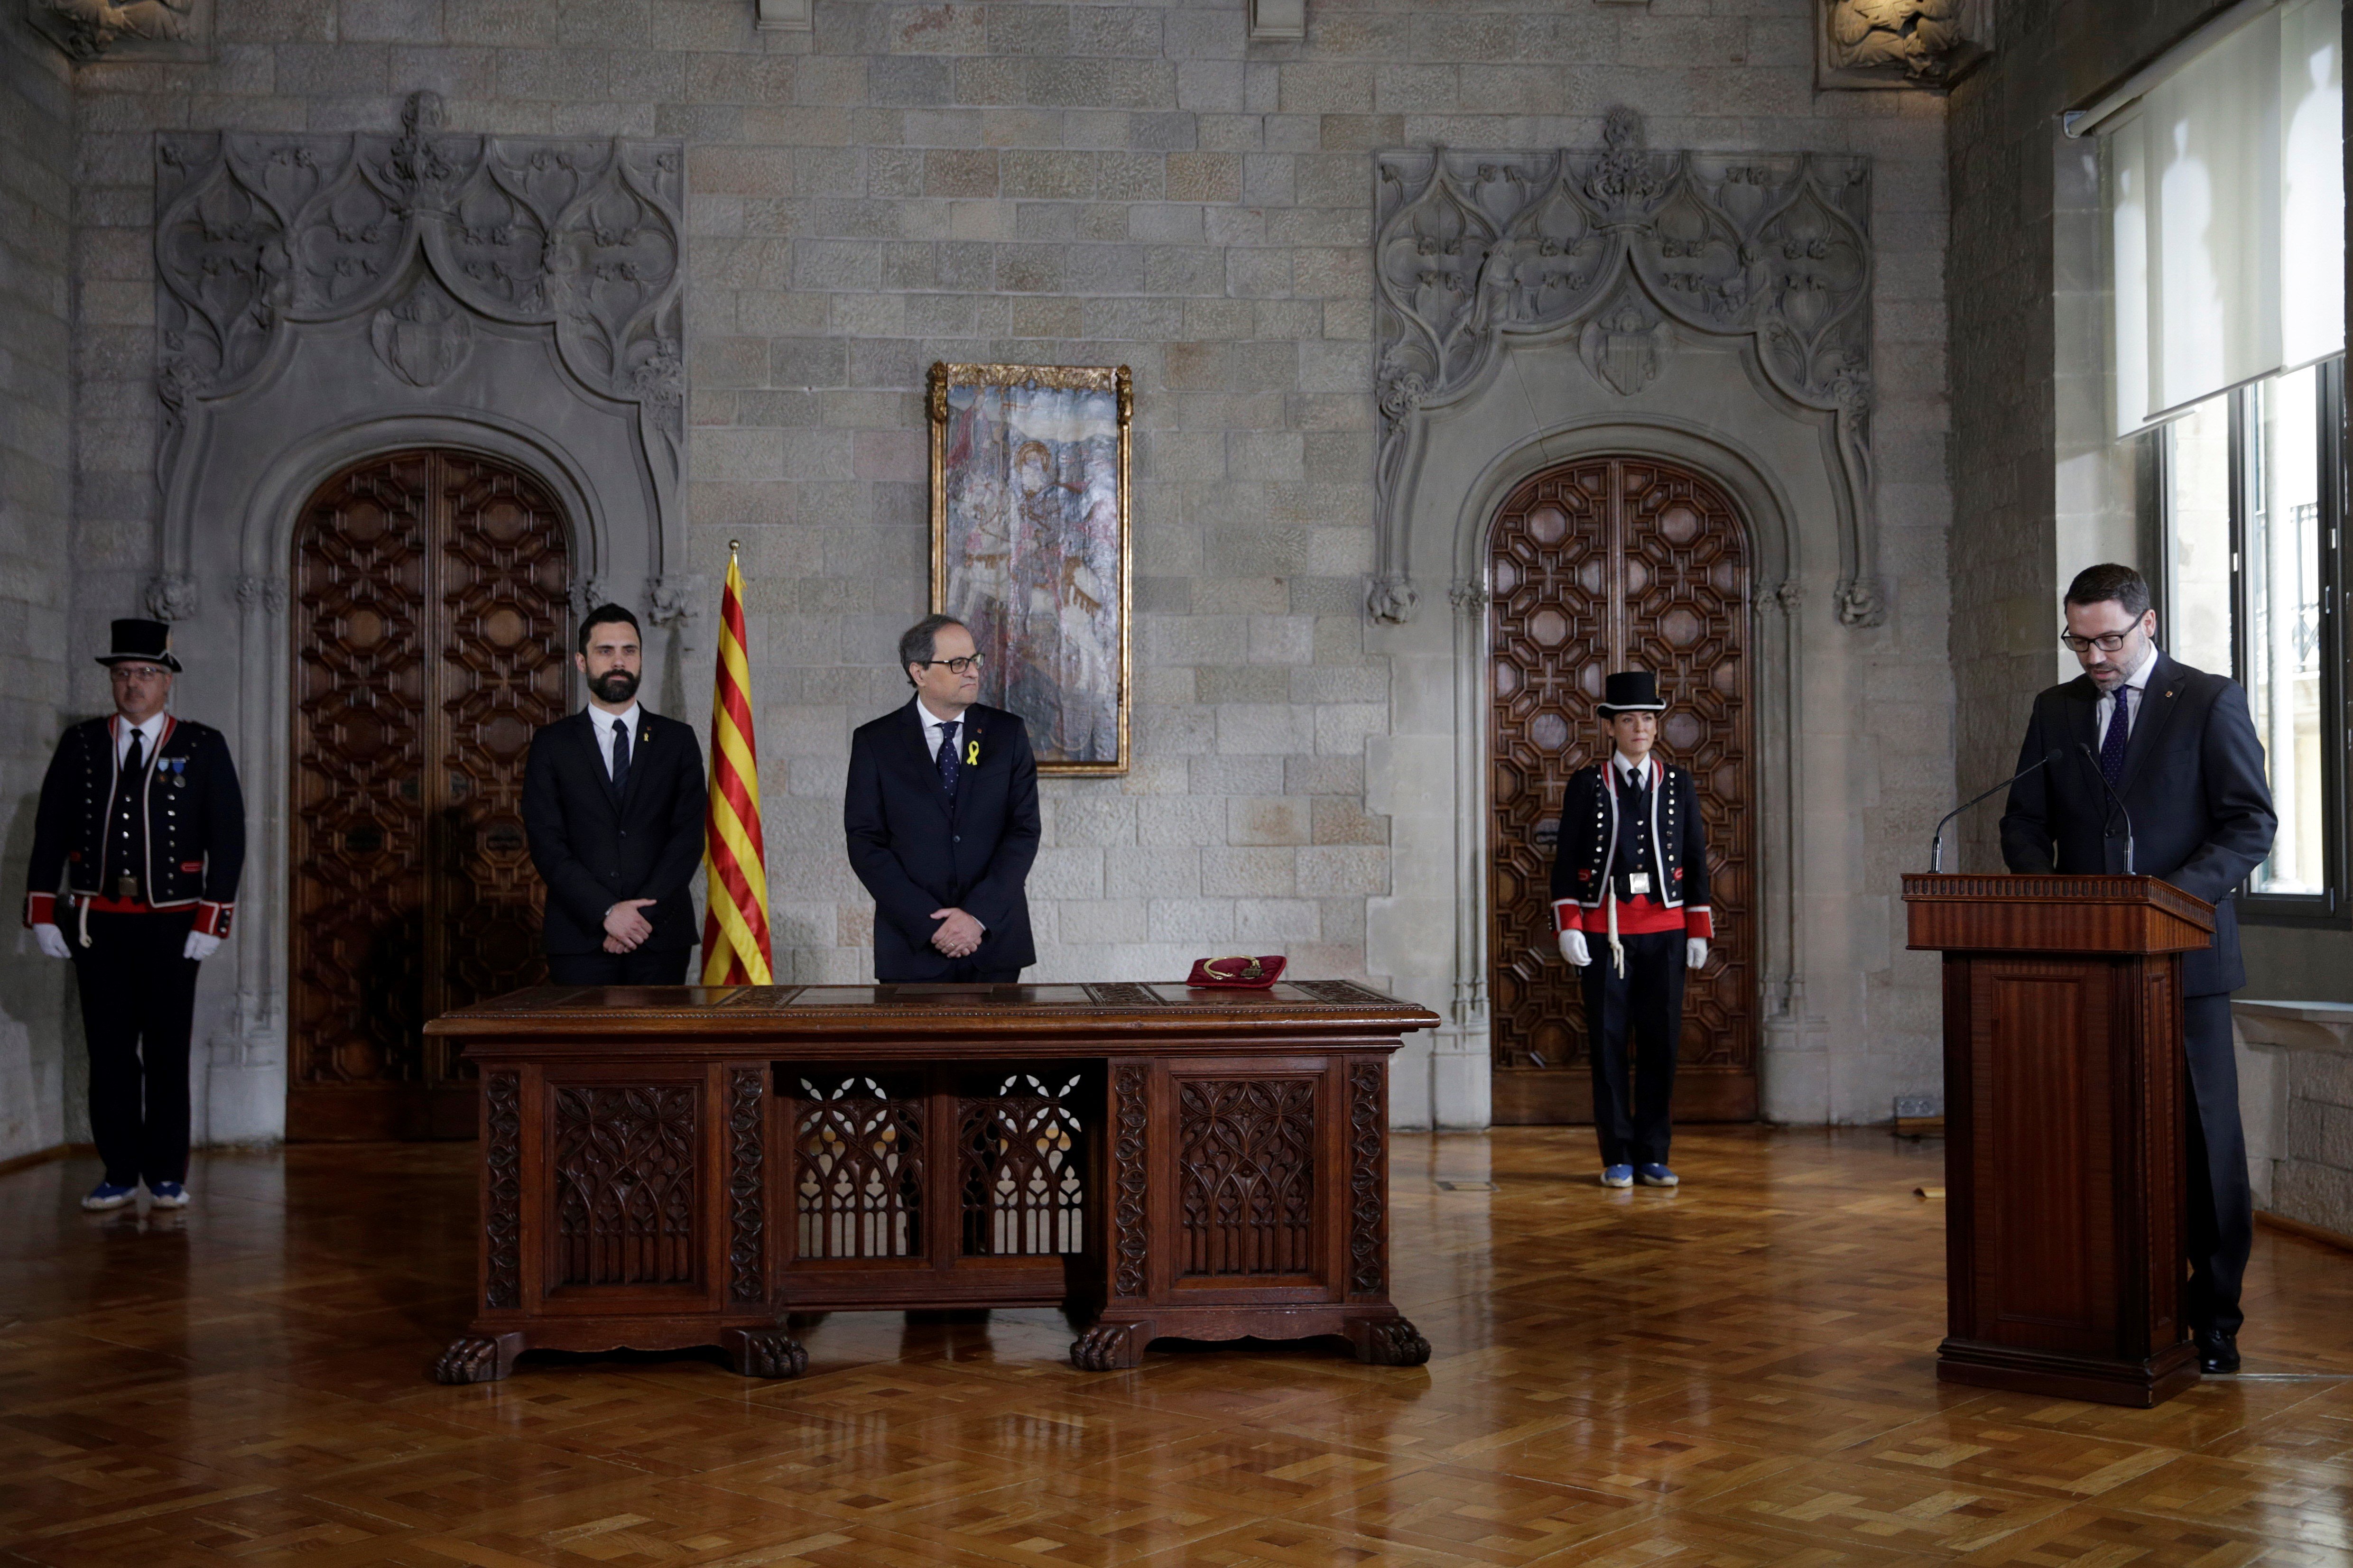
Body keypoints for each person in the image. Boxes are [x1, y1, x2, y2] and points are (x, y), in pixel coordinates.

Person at [1998, 562, 2275, 1374]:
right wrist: (2056, 907)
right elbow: (2024, 823)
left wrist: (2162, 903)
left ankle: (2215, 1316)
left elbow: (2250, 823)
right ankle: (2105, 1301)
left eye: (2108, 640)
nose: (2094, 658)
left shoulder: (2208, 700)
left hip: (2185, 964)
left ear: (2148, 624)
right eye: (2079, 642)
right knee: (2091, 1142)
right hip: (2086, 968)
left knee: (2205, 1146)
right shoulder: (2057, 711)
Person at [24, 618, 243, 1212]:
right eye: (123, 675)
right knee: (110, 1051)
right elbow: (49, 832)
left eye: (146, 674)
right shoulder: (83, 744)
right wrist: (44, 910)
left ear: (168, 682)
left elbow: (229, 838)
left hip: (174, 926)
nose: (133, 685)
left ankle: (167, 1173)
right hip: (98, 925)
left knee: (168, 1051)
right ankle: (120, 1170)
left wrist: (212, 919)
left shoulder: (201, 746)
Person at [1548, 670, 1713, 1191]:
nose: (1639, 727)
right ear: (1612, 727)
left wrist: (1697, 929)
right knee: (1609, 1043)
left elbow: (1695, 858)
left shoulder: (1678, 784)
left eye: (1647, 718)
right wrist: (1569, 925)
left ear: (1656, 726)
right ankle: (1617, 1153)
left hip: (1665, 932)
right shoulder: (1587, 783)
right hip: (1605, 934)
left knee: (1661, 1045)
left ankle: (1654, 1154)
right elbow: (1565, 860)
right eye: (1628, 719)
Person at [845, 614, 1041, 982]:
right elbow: (865, 843)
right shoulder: (876, 742)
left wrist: (976, 918)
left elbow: (1024, 831)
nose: (973, 672)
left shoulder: (1007, 734)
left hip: (993, 942)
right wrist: (931, 924)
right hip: (913, 946)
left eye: (974, 661)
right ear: (919, 672)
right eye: (957, 664)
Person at [521, 604, 707, 985]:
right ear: (582, 661)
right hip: (580, 936)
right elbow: (547, 843)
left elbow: (688, 838)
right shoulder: (552, 744)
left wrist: (638, 919)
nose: (619, 661)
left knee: (657, 1047)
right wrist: (608, 912)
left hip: (659, 937)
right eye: (606, 651)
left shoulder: (677, 741)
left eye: (629, 651)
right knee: (582, 1047)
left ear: (640, 659)